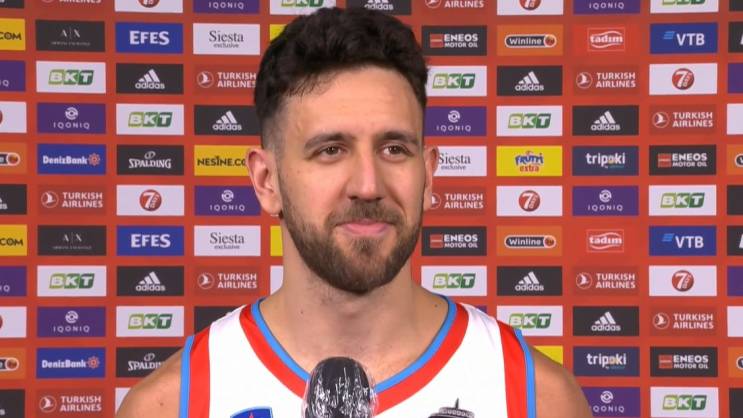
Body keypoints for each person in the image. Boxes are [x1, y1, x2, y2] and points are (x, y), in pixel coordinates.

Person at [117, 7, 592, 418]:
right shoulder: (170, 405)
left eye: (394, 148)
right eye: (330, 150)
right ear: (266, 181)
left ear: (428, 175)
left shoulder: (537, 399)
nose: (368, 185)